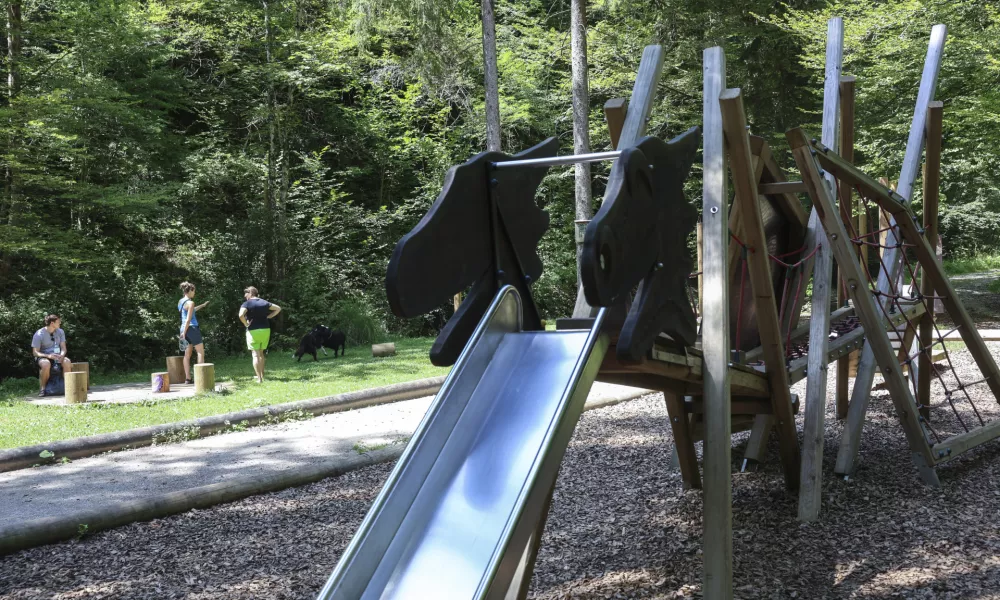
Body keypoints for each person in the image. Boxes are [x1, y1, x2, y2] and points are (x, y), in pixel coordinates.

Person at [239, 286, 281, 383]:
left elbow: (241, 315)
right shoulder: (264, 302)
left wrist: (245, 324)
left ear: (251, 293)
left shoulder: (247, 303)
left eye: (246, 293)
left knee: (255, 354)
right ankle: (262, 375)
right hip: (265, 329)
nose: (245, 295)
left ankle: (259, 379)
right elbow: (278, 308)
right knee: (261, 353)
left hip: (253, 330)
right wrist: (269, 317)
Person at [31, 314, 72, 397]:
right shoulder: (39, 334)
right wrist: (48, 356)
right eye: (58, 322)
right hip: (44, 356)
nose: (60, 323)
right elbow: (35, 353)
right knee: (46, 364)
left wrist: (62, 355)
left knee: (67, 361)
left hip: (58, 355)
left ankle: (68, 387)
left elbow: (63, 348)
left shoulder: (60, 331)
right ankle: (43, 389)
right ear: (52, 323)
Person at [178, 281, 209, 384]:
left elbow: (191, 310)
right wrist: (185, 332)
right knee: (200, 352)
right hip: (192, 328)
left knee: (187, 355)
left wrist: (202, 305)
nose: (194, 293)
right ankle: (200, 378)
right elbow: (188, 319)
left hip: (183, 329)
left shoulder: (181, 302)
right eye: (194, 291)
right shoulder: (190, 302)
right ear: (190, 291)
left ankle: (188, 378)